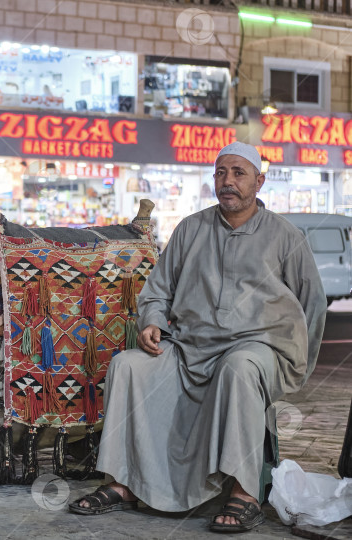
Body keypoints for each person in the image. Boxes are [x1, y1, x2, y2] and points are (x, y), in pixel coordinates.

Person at [69, 142, 327, 533]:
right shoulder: (191, 228)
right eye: (221, 173)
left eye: (238, 173)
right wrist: (152, 321)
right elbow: (157, 291)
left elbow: (314, 304)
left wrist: (295, 361)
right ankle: (121, 483)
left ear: (259, 181)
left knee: (238, 368)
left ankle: (244, 494)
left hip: (255, 349)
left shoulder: (285, 236)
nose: (228, 182)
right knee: (128, 365)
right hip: (188, 347)